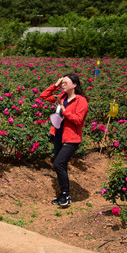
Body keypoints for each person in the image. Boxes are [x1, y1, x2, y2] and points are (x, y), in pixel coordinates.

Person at [38, 74, 89, 207]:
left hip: (72, 138)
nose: (63, 85)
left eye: (66, 83)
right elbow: (43, 96)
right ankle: (64, 195)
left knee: (59, 163)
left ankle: (65, 195)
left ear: (75, 85)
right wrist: (55, 84)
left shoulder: (80, 100)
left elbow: (78, 120)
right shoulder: (62, 97)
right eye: (62, 83)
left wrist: (63, 109)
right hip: (58, 135)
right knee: (61, 164)